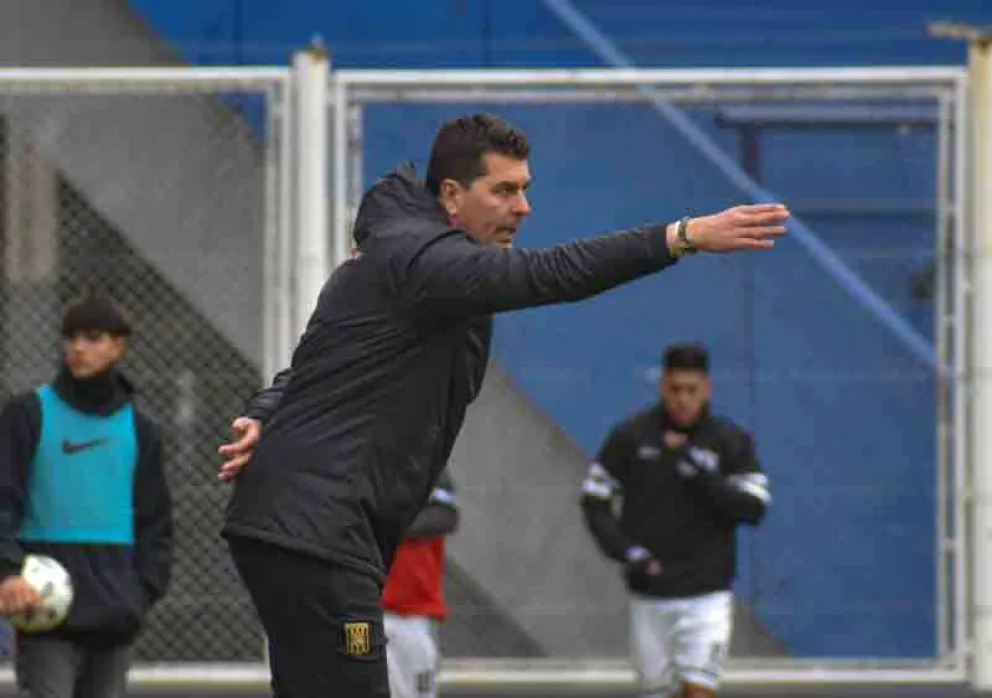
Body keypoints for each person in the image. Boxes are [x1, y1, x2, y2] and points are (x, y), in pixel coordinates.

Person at [217, 112, 788, 697]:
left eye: (526, 189)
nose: (523, 207)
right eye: (505, 190)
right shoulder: (427, 260)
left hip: (299, 527)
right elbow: (552, 273)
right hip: (319, 532)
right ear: (451, 195)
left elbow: (316, 361)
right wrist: (681, 236)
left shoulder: (398, 254)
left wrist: (266, 414)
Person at [0, 292, 174, 698]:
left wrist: (140, 592)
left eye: (93, 338)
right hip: (44, 612)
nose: (78, 348)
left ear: (118, 346)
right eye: (71, 337)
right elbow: (2, 500)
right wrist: (8, 571)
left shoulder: (141, 429)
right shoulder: (28, 414)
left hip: (114, 615)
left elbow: (155, 522)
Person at [580, 343, 770, 698]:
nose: (683, 399)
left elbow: (754, 507)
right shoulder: (631, 437)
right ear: (662, 386)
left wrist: (701, 473)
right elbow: (594, 500)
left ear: (706, 388)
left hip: (707, 595)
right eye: (675, 389)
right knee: (655, 692)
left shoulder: (728, 441)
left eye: (691, 390)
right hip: (650, 594)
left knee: (698, 691)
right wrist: (625, 550)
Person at [381, 469, 458, 698]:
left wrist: (381, 525)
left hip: (412, 616)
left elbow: (445, 516)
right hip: (361, 615)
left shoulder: (425, 459)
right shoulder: (354, 456)